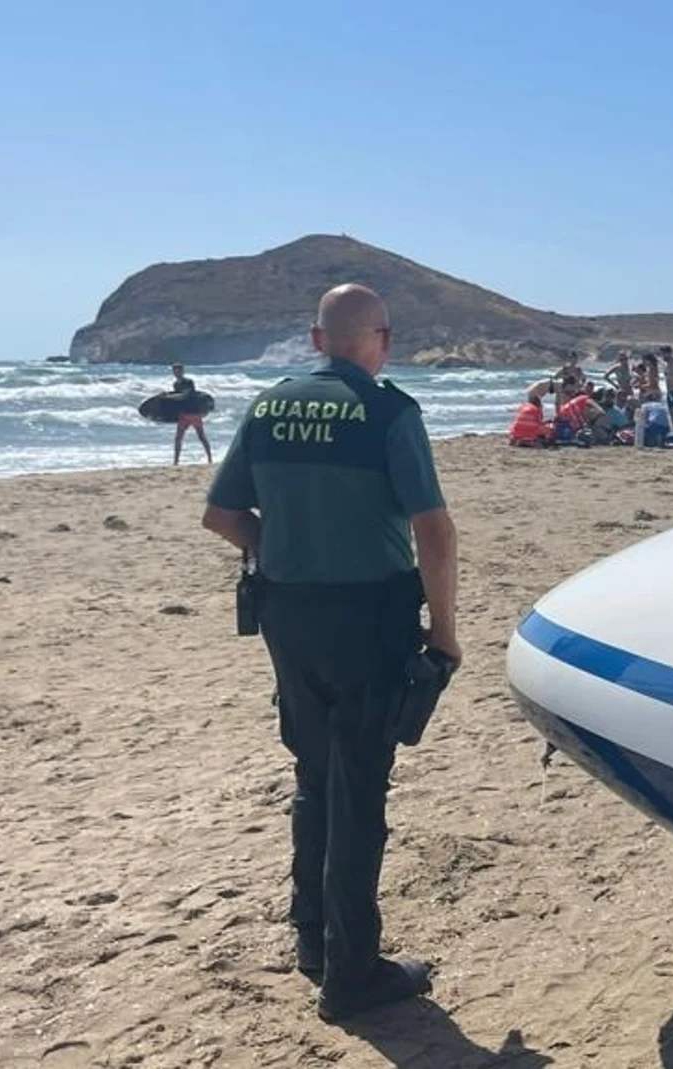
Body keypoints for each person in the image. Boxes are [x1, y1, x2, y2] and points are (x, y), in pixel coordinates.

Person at [200, 283, 462, 1024]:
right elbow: (435, 533)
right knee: (360, 790)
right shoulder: (389, 411)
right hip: (368, 616)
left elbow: (222, 516)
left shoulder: (271, 404)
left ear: (316, 341)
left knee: (314, 774)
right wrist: (444, 632)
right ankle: (351, 971)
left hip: (289, 613)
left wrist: (280, 545)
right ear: (382, 338)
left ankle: (312, 936)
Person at [170, 363, 213, 465]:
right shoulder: (175, 384)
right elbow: (177, 400)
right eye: (174, 371)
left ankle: (210, 458)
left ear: (182, 371)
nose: (176, 373)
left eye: (178, 371)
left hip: (194, 413)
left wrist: (169, 397)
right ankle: (176, 462)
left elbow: (185, 395)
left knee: (201, 436)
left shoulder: (189, 382)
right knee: (178, 438)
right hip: (183, 414)